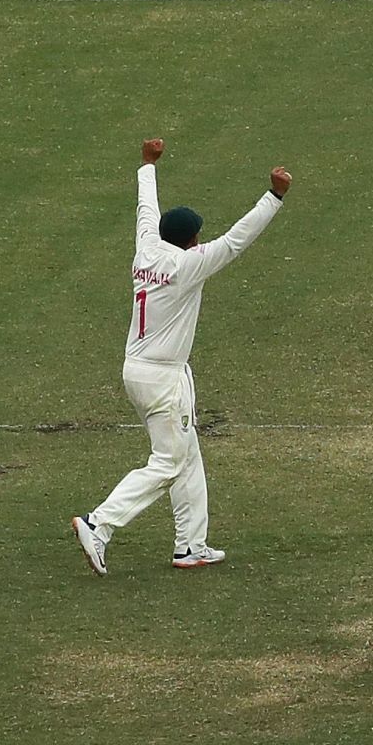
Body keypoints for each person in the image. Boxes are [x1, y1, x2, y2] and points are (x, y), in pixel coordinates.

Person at [71, 138, 290, 576]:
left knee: (187, 456)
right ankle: (99, 523)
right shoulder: (188, 265)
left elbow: (146, 210)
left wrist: (147, 166)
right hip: (162, 379)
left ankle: (191, 545)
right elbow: (235, 241)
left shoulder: (146, 248)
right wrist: (274, 196)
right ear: (191, 241)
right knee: (169, 462)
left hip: (139, 369)